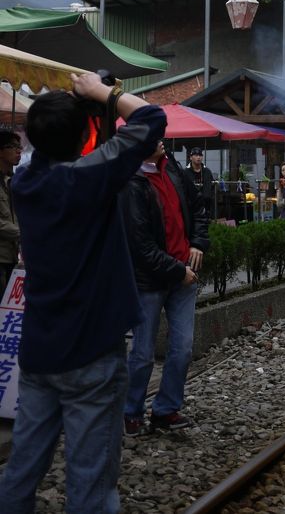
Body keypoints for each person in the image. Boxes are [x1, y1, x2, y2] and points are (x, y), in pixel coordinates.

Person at [0, 73, 166, 514]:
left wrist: (86, 110)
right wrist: (103, 93)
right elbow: (151, 119)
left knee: (22, 468)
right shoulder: (87, 179)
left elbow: (63, 150)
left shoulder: (24, 183)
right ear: (85, 133)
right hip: (92, 351)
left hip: (40, 353)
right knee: (90, 479)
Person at [121, 139, 209, 435]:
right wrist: (177, 270)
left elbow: (198, 207)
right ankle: (131, 411)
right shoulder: (131, 181)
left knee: (182, 348)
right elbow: (141, 246)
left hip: (184, 274)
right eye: (153, 134)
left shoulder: (170, 166)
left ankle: (166, 408)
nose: (161, 139)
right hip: (151, 280)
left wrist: (198, 242)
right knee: (143, 353)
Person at [0, 130, 22, 296]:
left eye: (19, 146)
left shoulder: (13, 181)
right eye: (13, 147)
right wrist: (23, 232)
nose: (19, 150)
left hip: (12, 257)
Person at [186, 145, 215, 219]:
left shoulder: (207, 171)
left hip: (206, 206)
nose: (198, 157)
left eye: (200, 155)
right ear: (190, 157)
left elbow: (212, 187)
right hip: (191, 206)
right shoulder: (185, 172)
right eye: (196, 155)